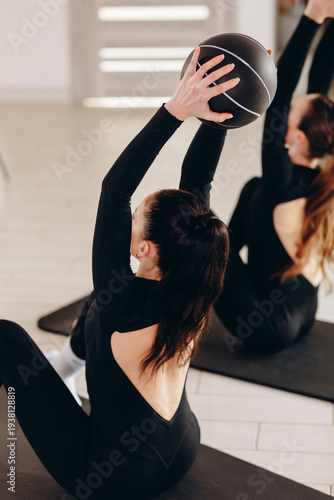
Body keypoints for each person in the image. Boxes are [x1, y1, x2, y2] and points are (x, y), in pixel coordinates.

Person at [0, 52, 239, 499]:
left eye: (137, 218)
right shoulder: (195, 279)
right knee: (96, 300)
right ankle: (66, 368)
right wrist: (219, 113)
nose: (127, 221)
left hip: (113, 479)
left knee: (6, 336)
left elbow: (115, 190)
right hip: (181, 450)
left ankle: (65, 367)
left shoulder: (122, 301)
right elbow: (197, 184)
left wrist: (174, 111)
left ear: (146, 249)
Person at [180, 0, 334, 353]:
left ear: (298, 138)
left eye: (293, 114)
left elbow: (277, 104)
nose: (287, 110)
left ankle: (191, 281)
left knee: (201, 240)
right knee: (252, 190)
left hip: (264, 327)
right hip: (304, 312)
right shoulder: (319, 170)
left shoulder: (283, 182)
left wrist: (311, 18)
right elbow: (318, 89)